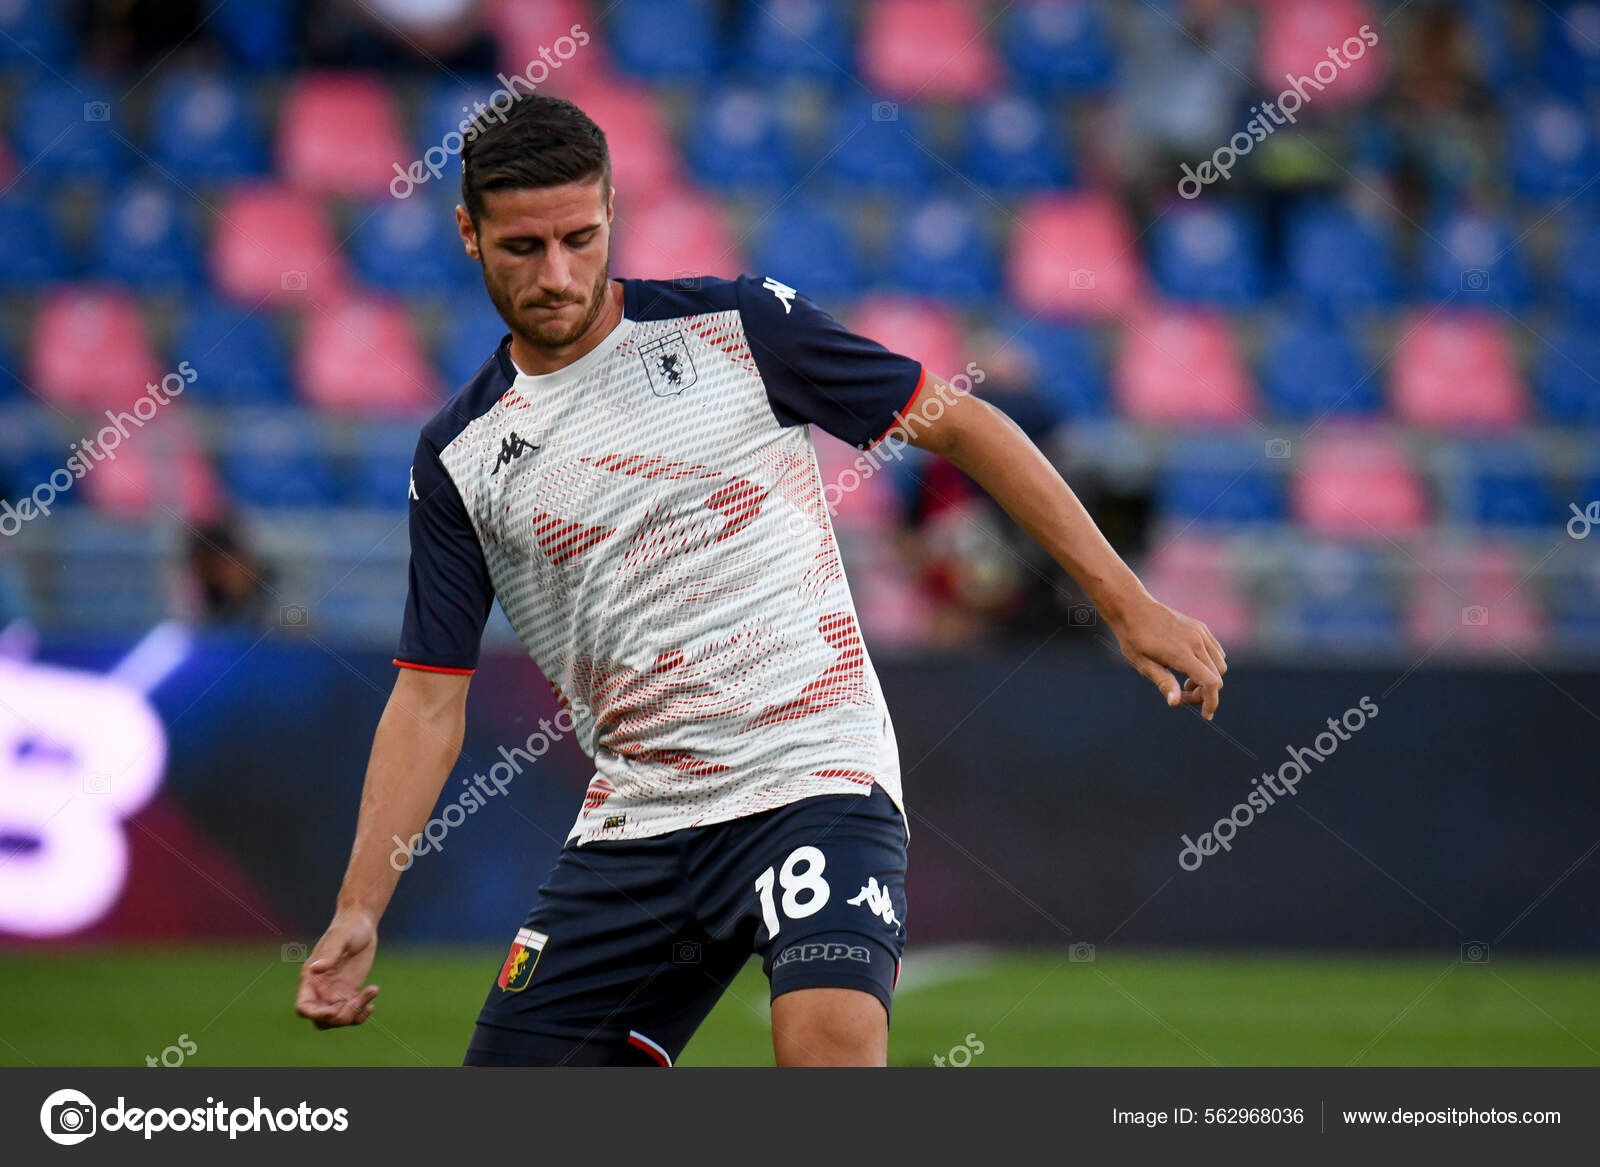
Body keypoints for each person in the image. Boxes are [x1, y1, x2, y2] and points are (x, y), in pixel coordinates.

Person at [294, 94, 1226, 1067]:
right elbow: (428, 702)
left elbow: (965, 425)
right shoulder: (458, 456)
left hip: (810, 776)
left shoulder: (735, 328)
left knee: (826, 1048)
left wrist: (1127, 605)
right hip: (638, 820)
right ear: (467, 234)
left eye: (581, 237)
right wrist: (360, 908)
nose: (558, 275)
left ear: (613, 209)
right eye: (523, 248)